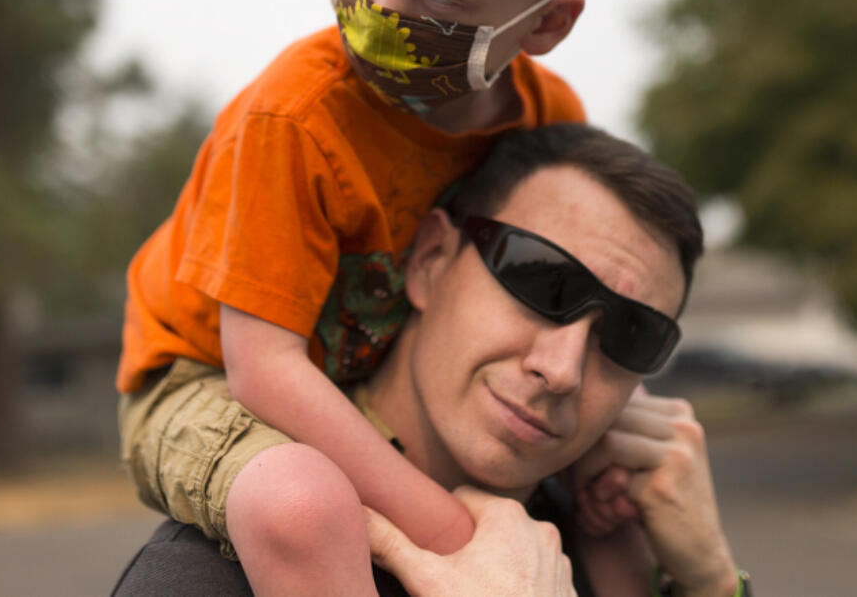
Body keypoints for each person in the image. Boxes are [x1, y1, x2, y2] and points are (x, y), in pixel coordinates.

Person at [116, 0, 619, 596]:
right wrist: (461, 538)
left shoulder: (548, 119)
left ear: (547, 24)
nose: (378, 7)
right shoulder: (295, 118)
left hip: (368, 375)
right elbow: (263, 372)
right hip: (202, 376)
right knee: (303, 504)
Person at [112, 124, 752, 597]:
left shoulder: (603, 545)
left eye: (630, 337)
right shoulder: (214, 577)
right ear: (430, 262)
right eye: (542, 283)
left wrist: (714, 580)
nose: (563, 369)